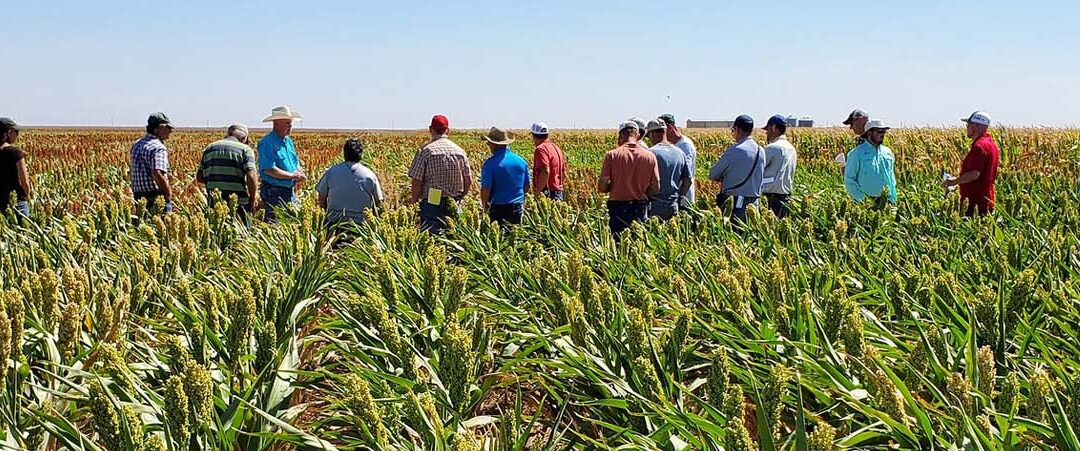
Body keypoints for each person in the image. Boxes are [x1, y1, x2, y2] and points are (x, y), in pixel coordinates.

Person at [407, 115, 473, 234]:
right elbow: (468, 180)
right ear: (447, 130)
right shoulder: (459, 151)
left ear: (430, 129)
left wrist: (414, 201)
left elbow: (417, 180)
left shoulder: (426, 151)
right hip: (453, 200)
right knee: (453, 236)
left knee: (432, 237)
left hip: (432, 201)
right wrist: (460, 197)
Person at [598, 121, 659, 237]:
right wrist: (641, 191)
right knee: (639, 243)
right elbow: (656, 187)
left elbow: (602, 186)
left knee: (618, 245)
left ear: (621, 136)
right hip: (640, 207)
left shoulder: (612, 155)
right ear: (637, 135)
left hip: (618, 208)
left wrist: (614, 187)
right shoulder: (650, 156)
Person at [196, 124, 259, 227]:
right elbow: (251, 176)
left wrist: (216, 182)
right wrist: (252, 199)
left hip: (214, 203)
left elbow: (199, 177)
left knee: (217, 235)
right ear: (244, 138)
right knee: (242, 237)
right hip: (239, 203)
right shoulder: (245, 150)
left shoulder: (210, 148)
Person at [708, 115, 765, 225]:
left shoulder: (735, 150)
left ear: (738, 129)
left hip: (736, 205)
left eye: (733, 130)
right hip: (755, 204)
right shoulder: (761, 150)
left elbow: (713, 174)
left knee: (734, 235)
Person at [316, 138, 384, 228]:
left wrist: (324, 217)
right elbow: (379, 201)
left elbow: (321, 195)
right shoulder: (369, 175)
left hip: (334, 223)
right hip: (361, 224)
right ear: (361, 155)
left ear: (344, 154)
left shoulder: (332, 172)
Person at [944, 111, 1000, 216]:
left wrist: (954, 181)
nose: (966, 127)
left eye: (968, 124)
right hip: (986, 200)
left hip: (975, 203)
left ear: (976, 125)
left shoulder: (979, 147)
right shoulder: (991, 145)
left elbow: (974, 174)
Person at [257, 106, 305, 223]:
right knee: (275, 227)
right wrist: (292, 176)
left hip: (289, 191)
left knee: (294, 223)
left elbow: (295, 162)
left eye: (291, 123)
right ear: (276, 123)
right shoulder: (267, 142)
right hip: (274, 193)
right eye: (287, 123)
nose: (290, 126)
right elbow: (269, 169)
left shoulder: (288, 141)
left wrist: (299, 171)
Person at [480, 127, 530, 226]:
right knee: (515, 236)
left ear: (496, 144)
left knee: (500, 238)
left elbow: (486, 188)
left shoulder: (489, 164)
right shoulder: (521, 161)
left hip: (498, 208)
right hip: (517, 207)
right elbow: (527, 186)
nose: (488, 144)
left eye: (490, 142)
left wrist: (485, 205)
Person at [644, 119, 691, 220]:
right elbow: (688, 181)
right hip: (673, 205)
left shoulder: (650, 153)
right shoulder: (680, 153)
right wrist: (680, 196)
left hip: (654, 205)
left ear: (652, 134)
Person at [844, 118, 898, 206]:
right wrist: (862, 200)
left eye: (884, 131)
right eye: (879, 131)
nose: (883, 134)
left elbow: (891, 177)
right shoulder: (856, 153)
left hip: (887, 200)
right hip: (866, 202)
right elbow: (849, 180)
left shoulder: (888, 152)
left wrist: (893, 198)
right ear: (869, 133)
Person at [130, 112, 174, 212]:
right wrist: (167, 193)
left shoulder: (137, 144)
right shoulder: (158, 147)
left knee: (143, 223)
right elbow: (156, 172)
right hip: (155, 196)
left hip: (139, 195)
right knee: (163, 225)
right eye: (168, 127)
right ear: (159, 128)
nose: (170, 131)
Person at [761, 114, 798, 219]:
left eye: (767, 129)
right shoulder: (791, 149)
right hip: (786, 199)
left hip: (771, 200)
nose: (766, 133)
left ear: (773, 128)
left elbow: (756, 169)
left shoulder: (772, 148)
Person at [659, 114, 697, 207]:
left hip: (683, 197)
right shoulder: (675, 145)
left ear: (669, 127)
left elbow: (685, 174)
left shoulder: (685, 145)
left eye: (662, 131)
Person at [0, 117, 32, 219]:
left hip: (0, 203)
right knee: (22, 232)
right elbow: (25, 182)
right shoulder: (15, 153)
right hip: (18, 203)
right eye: (16, 132)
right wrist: (26, 197)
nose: (18, 135)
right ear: (9, 132)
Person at [530, 122, 567, 200]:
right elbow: (563, 172)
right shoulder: (556, 148)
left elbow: (545, 171)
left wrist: (538, 192)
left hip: (547, 193)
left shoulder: (541, 149)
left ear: (534, 136)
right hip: (558, 192)